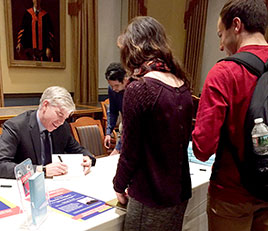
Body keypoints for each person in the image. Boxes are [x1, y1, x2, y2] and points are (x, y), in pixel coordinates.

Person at [192, 0, 268, 230]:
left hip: (231, 193)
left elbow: (202, 149)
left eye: (220, 35)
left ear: (236, 25)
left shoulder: (224, 72)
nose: (221, 45)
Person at [113, 16, 193, 231]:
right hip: (179, 190)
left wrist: (119, 186)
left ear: (132, 48)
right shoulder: (182, 85)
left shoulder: (140, 88)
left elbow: (130, 151)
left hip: (151, 195)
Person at [0, 86, 96, 179]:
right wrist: (42, 170)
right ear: (45, 105)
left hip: (58, 184)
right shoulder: (17, 126)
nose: (61, 122)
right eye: (59, 114)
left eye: (65, 118)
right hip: (28, 189)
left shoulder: (62, 127)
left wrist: (87, 158)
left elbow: (77, 149)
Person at [103, 62, 127, 155]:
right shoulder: (112, 89)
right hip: (124, 124)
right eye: (111, 85)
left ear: (125, 80)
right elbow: (112, 111)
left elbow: (131, 122)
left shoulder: (133, 90)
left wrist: (117, 148)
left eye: (116, 85)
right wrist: (108, 132)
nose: (113, 89)